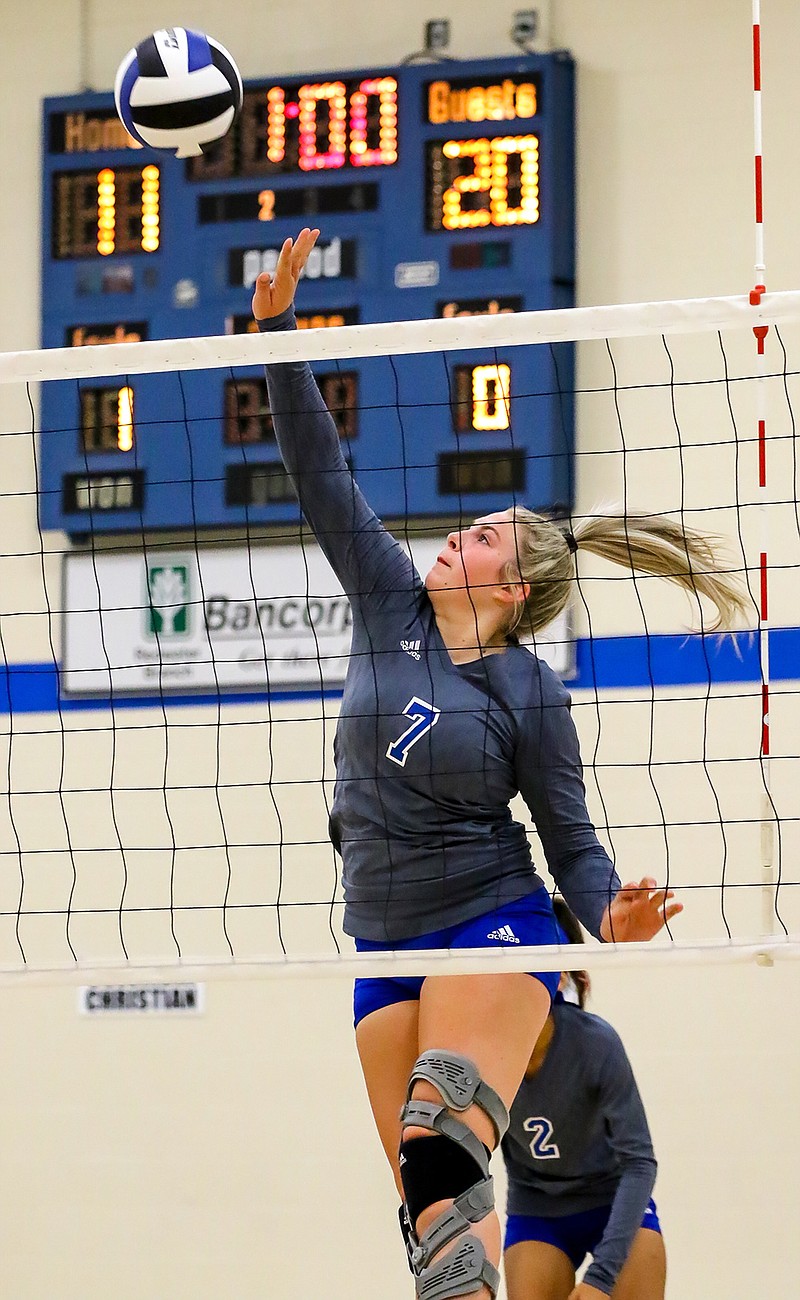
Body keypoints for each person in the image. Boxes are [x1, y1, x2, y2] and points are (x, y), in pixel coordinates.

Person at [252, 229, 748, 1300]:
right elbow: (317, 469)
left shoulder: (529, 690)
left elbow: (567, 839)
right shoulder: (387, 602)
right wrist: (279, 328)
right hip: (378, 937)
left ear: (514, 586)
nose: (450, 541)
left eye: (478, 538)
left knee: (439, 1126)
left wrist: (605, 915)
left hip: (492, 922)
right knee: (435, 1231)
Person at [502, 900, 666, 1300]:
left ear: (560, 976)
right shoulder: (482, 1056)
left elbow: (640, 1162)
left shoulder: (595, 1043)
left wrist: (601, 1279)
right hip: (538, 1210)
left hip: (612, 1200)